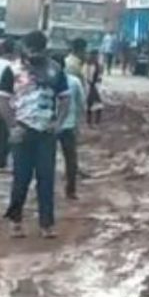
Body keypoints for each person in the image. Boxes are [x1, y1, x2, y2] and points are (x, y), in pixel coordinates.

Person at [0, 30, 71, 239]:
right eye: (32, 50)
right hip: (22, 130)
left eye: (40, 50)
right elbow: (3, 101)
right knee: (21, 179)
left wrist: (58, 123)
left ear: (45, 49)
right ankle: (15, 220)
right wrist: (13, 126)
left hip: (46, 133)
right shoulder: (11, 71)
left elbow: (65, 99)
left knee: (46, 178)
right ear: (25, 49)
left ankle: (46, 224)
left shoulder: (55, 70)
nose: (36, 54)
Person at [0, 40, 17, 172]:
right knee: (7, 133)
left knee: (0, 133)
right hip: (8, 101)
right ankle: (4, 162)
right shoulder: (11, 66)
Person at [59, 70, 85, 200]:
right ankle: (71, 190)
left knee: (44, 160)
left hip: (49, 126)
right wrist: (79, 123)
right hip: (68, 125)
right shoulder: (74, 81)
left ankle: (41, 188)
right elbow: (81, 103)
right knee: (71, 159)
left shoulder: (45, 80)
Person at [84, 51, 104, 126]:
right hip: (91, 86)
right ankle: (93, 122)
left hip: (93, 86)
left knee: (91, 104)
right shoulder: (90, 65)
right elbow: (87, 77)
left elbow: (99, 77)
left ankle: (91, 122)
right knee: (96, 104)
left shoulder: (96, 65)